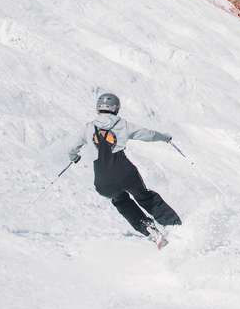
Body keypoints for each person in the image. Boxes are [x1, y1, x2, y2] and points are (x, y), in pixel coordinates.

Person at [68, 92, 180, 246]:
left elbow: (72, 148)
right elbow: (148, 134)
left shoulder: (88, 127)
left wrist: (74, 157)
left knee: (120, 201)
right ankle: (174, 225)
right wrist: (165, 137)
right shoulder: (122, 124)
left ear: (98, 108)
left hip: (102, 180)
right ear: (116, 108)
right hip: (124, 171)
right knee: (144, 197)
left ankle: (149, 229)